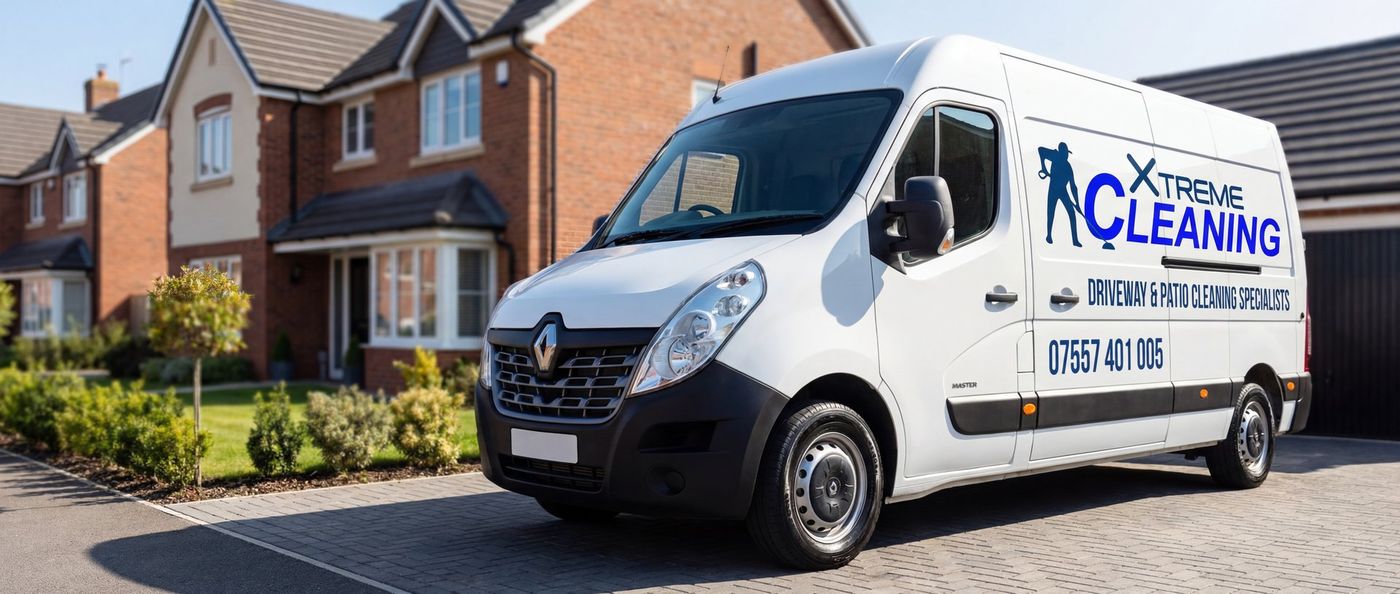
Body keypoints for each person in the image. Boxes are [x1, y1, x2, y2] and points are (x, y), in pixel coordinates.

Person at [1039, 142, 1082, 247]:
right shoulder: (1055, 156)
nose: (1066, 155)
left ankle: (1075, 240)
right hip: (1053, 189)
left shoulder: (1068, 167)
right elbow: (1041, 150)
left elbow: (1073, 187)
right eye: (1064, 153)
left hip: (1063, 191)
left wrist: (1077, 204)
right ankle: (1049, 235)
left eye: (1067, 154)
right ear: (1061, 152)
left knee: (1072, 214)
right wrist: (1043, 167)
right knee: (1051, 213)